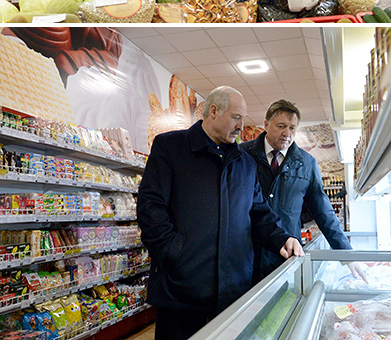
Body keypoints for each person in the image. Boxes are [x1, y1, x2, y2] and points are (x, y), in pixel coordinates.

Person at [137, 85, 303, 340]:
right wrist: (172, 252)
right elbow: (150, 206)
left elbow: (259, 213)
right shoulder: (171, 147)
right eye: (236, 117)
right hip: (181, 290)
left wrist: (282, 238)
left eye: (243, 119)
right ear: (213, 111)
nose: (241, 126)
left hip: (233, 291)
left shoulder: (245, 163)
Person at [241, 99, 365, 280]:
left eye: (292, 128)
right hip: (245, 255)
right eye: (281, 126)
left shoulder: (306, 163)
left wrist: (346, 254)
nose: (287, 133)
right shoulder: (242, 156)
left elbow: (323, 211)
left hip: (286, 257)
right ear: (266, 124)